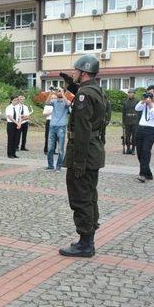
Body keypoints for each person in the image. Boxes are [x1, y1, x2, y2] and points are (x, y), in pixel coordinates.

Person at [59, 55, 108, 258]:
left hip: (84, 153)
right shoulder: (97, 91)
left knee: (81, 197)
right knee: (89, 195)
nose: (73, 73)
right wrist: (71, 87)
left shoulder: (84, 96)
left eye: (76, 71)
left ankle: (85, 243)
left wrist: (78, 161)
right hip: (94, 151)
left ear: (84, 72)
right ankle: (88, 238)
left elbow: (82, 129)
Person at [45, 88, 71, 171]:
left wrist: (63, 94)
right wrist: (51, 92)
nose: (58, 92)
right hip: (52, 126)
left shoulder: (66, 101)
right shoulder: (54, 101)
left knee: (60, 149)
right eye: (58, 91)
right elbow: (47, 102)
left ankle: (58, 167)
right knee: (50, 148)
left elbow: (68, 104)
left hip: (61, 126)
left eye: (60, 91)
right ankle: (50, 166)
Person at [122, 88, 141, 155]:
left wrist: (139, 122)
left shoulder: (137, 101)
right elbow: (123, 113)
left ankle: (133, 149)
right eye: (129, 93)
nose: (130, 94)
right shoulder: (125, 102)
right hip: (127, 121)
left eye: (131, 93)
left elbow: (139, 112)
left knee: (134, 136)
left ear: (134, 94)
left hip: (135, 121)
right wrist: (123, 122)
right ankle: (128, 148)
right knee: (127, 136)